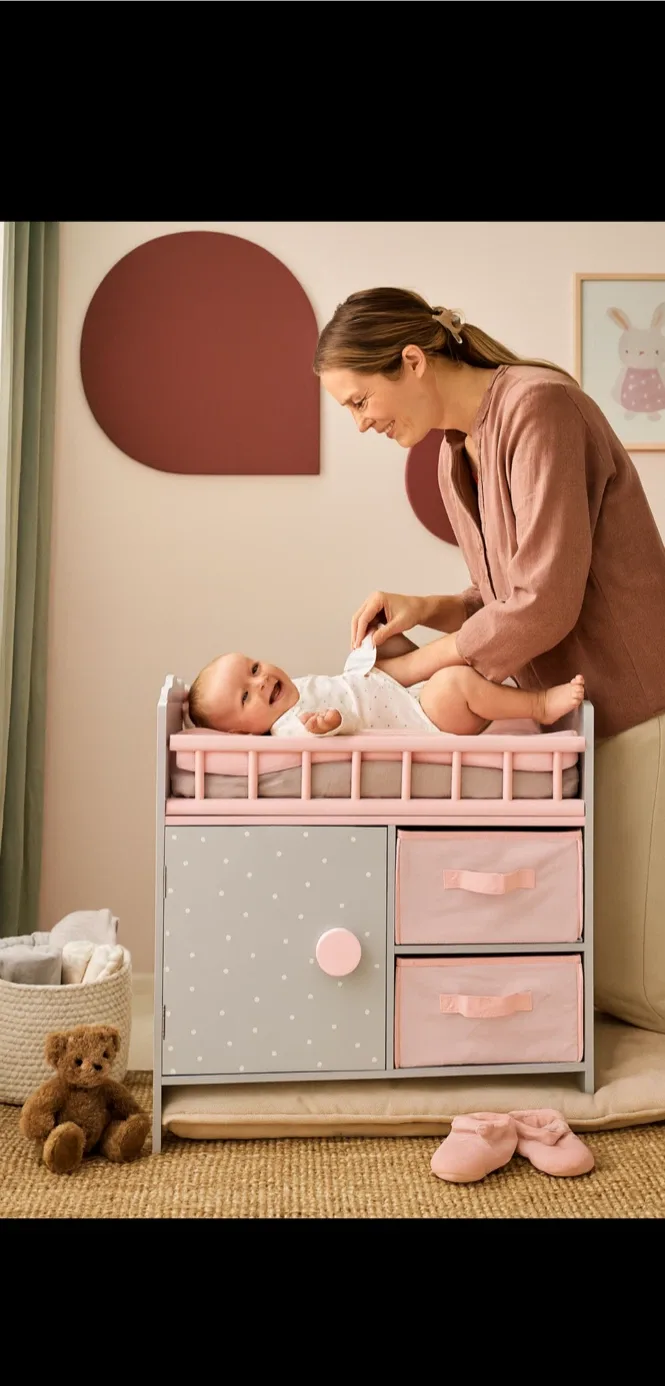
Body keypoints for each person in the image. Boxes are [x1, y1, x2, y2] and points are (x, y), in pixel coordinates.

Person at [313, 286, 665, 1035]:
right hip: (576, 711)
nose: (361, 422)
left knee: (645, 984)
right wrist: (430, 606)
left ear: (412, 361)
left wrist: (413, 670)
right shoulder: (455, 457)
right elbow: (507, 591)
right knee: (605, 967)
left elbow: (543, 604)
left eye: (359, 401)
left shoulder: (539, 408)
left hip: (637, 702)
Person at [186, 632, 584, 737]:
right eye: (245, 696)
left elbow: (345, 687)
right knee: (453, 682)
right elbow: (324, 732)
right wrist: (327, 724)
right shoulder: (289, 728)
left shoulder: (292, 690)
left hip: (391, 692)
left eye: (254, 668)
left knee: (383, 637)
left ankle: (480, 645)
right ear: (242, 734)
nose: (261, 682)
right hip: (423, 718)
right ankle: (538, 705)